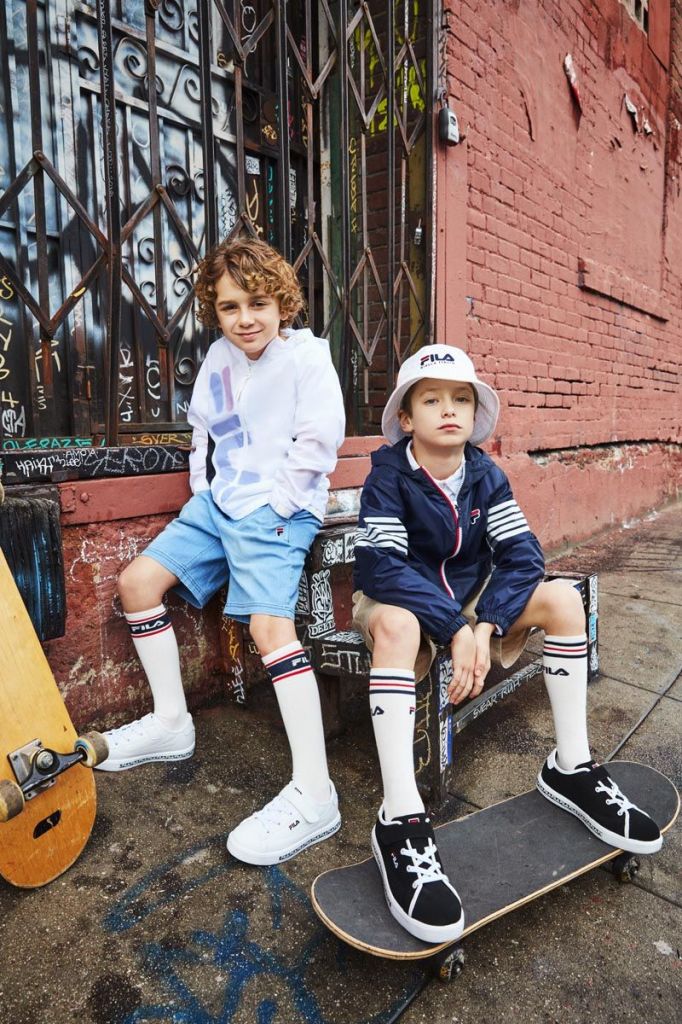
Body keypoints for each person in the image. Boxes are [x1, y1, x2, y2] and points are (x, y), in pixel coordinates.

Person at [352, 343, 662, 943]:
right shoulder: (388, 475)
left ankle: (571, 768)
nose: (449, 409)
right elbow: (382, 567)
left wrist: (485, 624)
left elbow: (523, 557)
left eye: (461, 399)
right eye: (431, 400)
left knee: (562, 598)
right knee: (398, 626)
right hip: (399, 601)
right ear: (407, 418)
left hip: (471, 604)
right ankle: (400, 817)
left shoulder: (486, 475)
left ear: (475, 414)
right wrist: (454, 627)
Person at [96, 236, 346, 866]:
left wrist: (279, 505)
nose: (245, 319)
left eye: (258, 303)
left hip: (278, 508)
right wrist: (203, 491)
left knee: (269, 628)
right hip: (218, 503)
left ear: (282, 302)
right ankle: (171, 725)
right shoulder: (218, 358)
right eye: (230, 307)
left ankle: (316, 793)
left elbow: (319, 442)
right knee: (137, 584)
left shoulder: (307, 357)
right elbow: (206, 430)